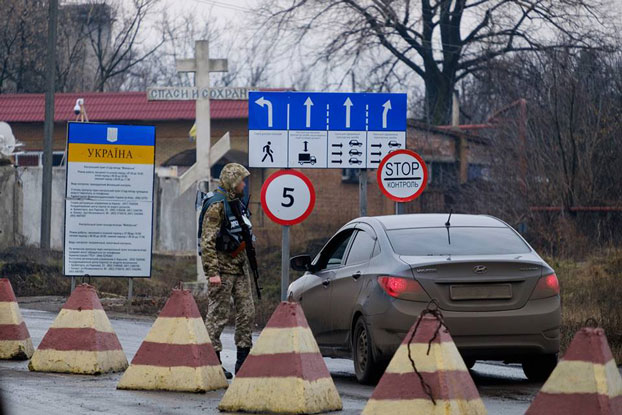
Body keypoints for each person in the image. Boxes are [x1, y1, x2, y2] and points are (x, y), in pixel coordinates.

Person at [199, 163, 255, 379]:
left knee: (247, 312)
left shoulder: (237, 202)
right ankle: (213, 361)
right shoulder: (217, 205)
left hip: (240, 268)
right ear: (232, 181)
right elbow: (208, 242)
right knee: (218, 315)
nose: (244, 184)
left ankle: (243, 360)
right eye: (241, 180)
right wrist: (212, 272)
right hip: (222, 270)